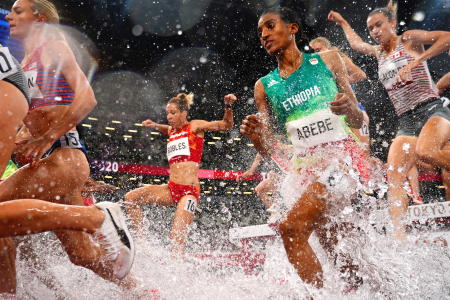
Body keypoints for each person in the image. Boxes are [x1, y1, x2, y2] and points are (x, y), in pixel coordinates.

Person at [1, 0, 135, 293]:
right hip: (51, 166)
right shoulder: (23, 65)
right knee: (82, 256)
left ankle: (102, 216)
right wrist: (23, 140)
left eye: (18, 11)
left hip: (65, 159)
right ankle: (145, 293)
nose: (9, 16)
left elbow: (87, 98)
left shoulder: (53, 45)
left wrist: (45, 139)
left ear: (38, 17)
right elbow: (38, 117)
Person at [240, 7, 367, 289]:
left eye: (270, 26)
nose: (264, 35)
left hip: (341, 164)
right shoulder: (264, 86)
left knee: (291, 229)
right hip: (305, 172)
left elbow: (357, 119)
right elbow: (269, 147)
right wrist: (256, 138)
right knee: (336, 249)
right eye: (261, 31)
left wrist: (349, 108)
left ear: (293, 28)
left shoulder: (329, 60)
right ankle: (370, 291)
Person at [328, 0, 450, 240]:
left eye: (379, 25)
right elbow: (356, 44)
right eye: (371, 28)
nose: (375, 32)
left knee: (426, 151)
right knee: (394, 173)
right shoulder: (377, 52)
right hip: (406, 121)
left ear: (392, 24)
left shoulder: (409, 39)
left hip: (431, 110)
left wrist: (417, 60)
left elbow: (447, 38)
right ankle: (399, 237)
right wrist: (342, 22)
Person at [125, 92, 237, 253]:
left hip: (189, 192)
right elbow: (167, 129)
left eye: (173, 113)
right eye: (167, 113)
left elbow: (226, 125)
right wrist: (155, 125)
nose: (169, 117)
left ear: (184, 113)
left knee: (177, 239)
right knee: (130, 199)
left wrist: (228, 106)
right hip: (171, 189)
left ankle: (178, 270)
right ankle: (143, 244)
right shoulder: (172, 131)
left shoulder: (195, 126)